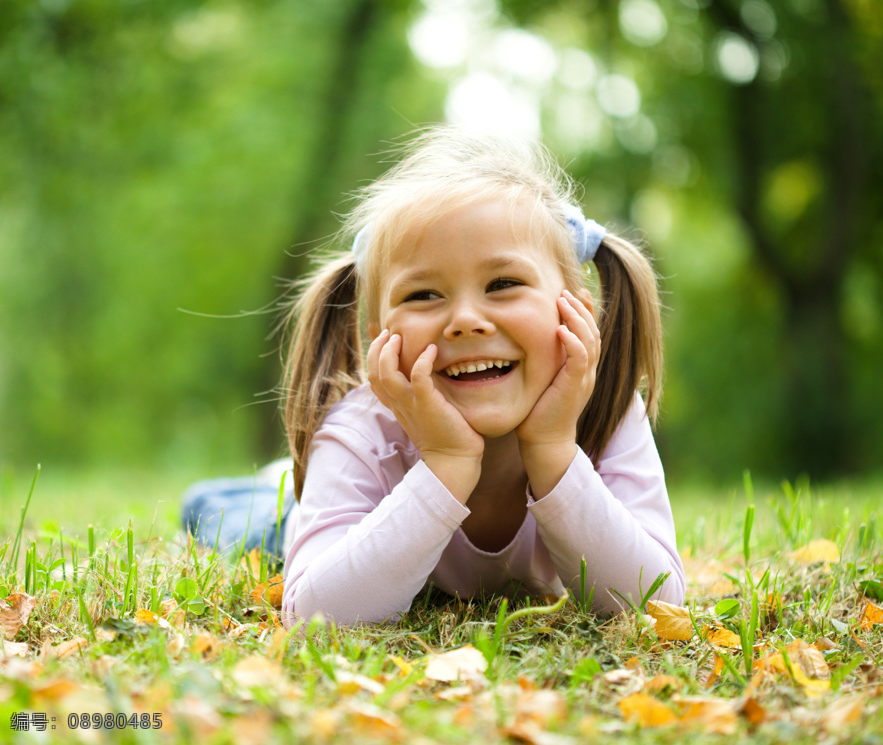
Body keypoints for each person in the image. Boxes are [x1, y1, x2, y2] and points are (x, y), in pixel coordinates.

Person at [183, 125, 684, 626]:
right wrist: (446, 463)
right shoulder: (360, 431)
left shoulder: (605, 410)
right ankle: (263, 490)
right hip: (302, 522)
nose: (466, 319)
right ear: (381, 335)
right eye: (423, 294)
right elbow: (316, 616)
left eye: (504, 283)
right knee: (233, 521)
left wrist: (553, 449)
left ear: (573, 310)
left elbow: (653, 603)